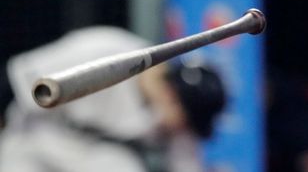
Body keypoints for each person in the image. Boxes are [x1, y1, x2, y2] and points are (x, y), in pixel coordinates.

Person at [0, 26, 227, 172]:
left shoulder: (170, 116)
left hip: (91, 153)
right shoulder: (106, 51)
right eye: (186, 119)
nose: (184, 128)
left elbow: (185, 163)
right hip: (34, 135)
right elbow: (16, 80)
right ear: (172, 96)